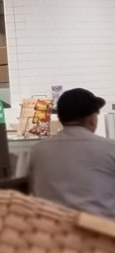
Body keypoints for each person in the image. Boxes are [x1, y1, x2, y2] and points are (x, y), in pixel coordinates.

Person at [29, 88, 115, 218]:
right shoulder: (110, 148)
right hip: (101, 232)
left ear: (60, 119)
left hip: (50, 232)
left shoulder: (37, 151)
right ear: (92, 119)